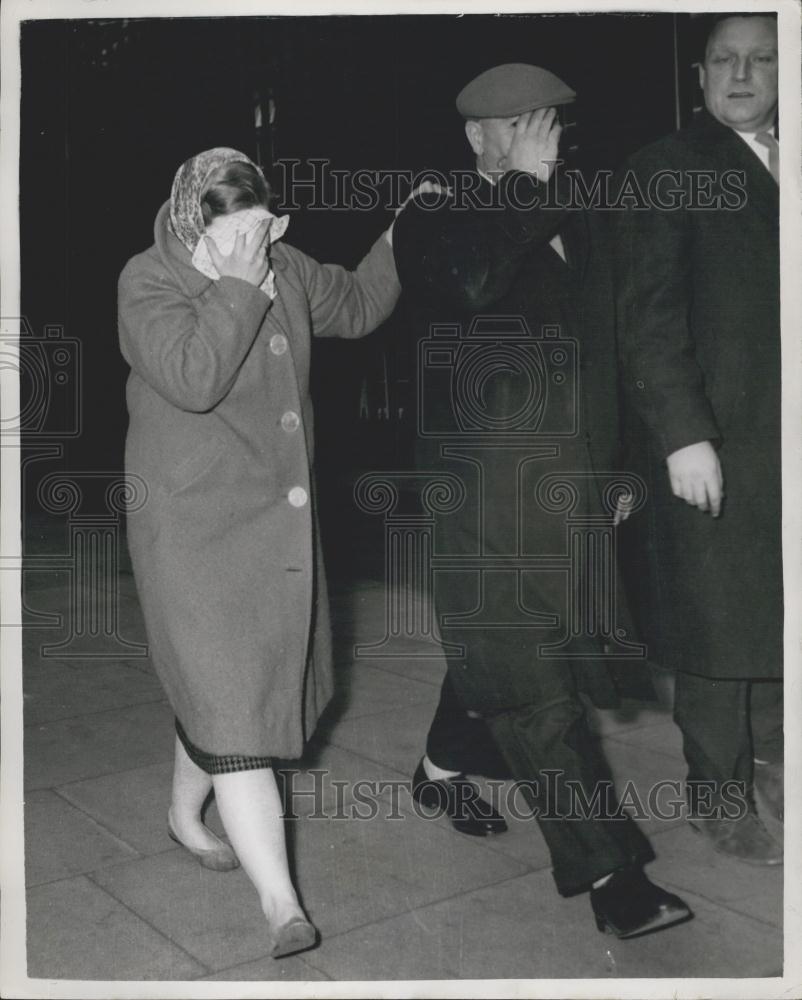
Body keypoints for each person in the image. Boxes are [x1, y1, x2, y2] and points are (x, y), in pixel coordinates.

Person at [393, 64, 692, 938]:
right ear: (476, 138)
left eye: (550, 123)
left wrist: (625, 469)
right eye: (520, 125)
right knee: (535, 687)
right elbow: (475, 286)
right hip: (484, 488)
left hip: (573, 486)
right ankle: (611, 877)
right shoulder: (433, 214)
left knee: (526, 647)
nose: (543, 138)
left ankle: (444, 763)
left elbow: (618, 347)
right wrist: (522, 185)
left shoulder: (580, 217)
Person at [118, 147, 400, 957]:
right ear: (187, 223)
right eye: (229, 236)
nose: (249, 249)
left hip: (267, 525)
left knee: (223, 691)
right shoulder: (148, 280)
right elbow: (194, 375)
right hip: (188, 529)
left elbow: (361, 303)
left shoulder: (287, 262)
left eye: (259, 230)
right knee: (235, 706)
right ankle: (282, 904)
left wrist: (403, 230)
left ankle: (182, 814)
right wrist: (238, 287)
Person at [613, 13, 782, 865]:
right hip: (719, 440)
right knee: (719, 623)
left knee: (781, 609)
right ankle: (717, 793)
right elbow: (645, 322)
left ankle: (776, 758)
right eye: (725, 59)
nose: (742, 73)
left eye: (762, 57)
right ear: (701, 75)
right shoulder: (668, 169)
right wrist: (683, 435)